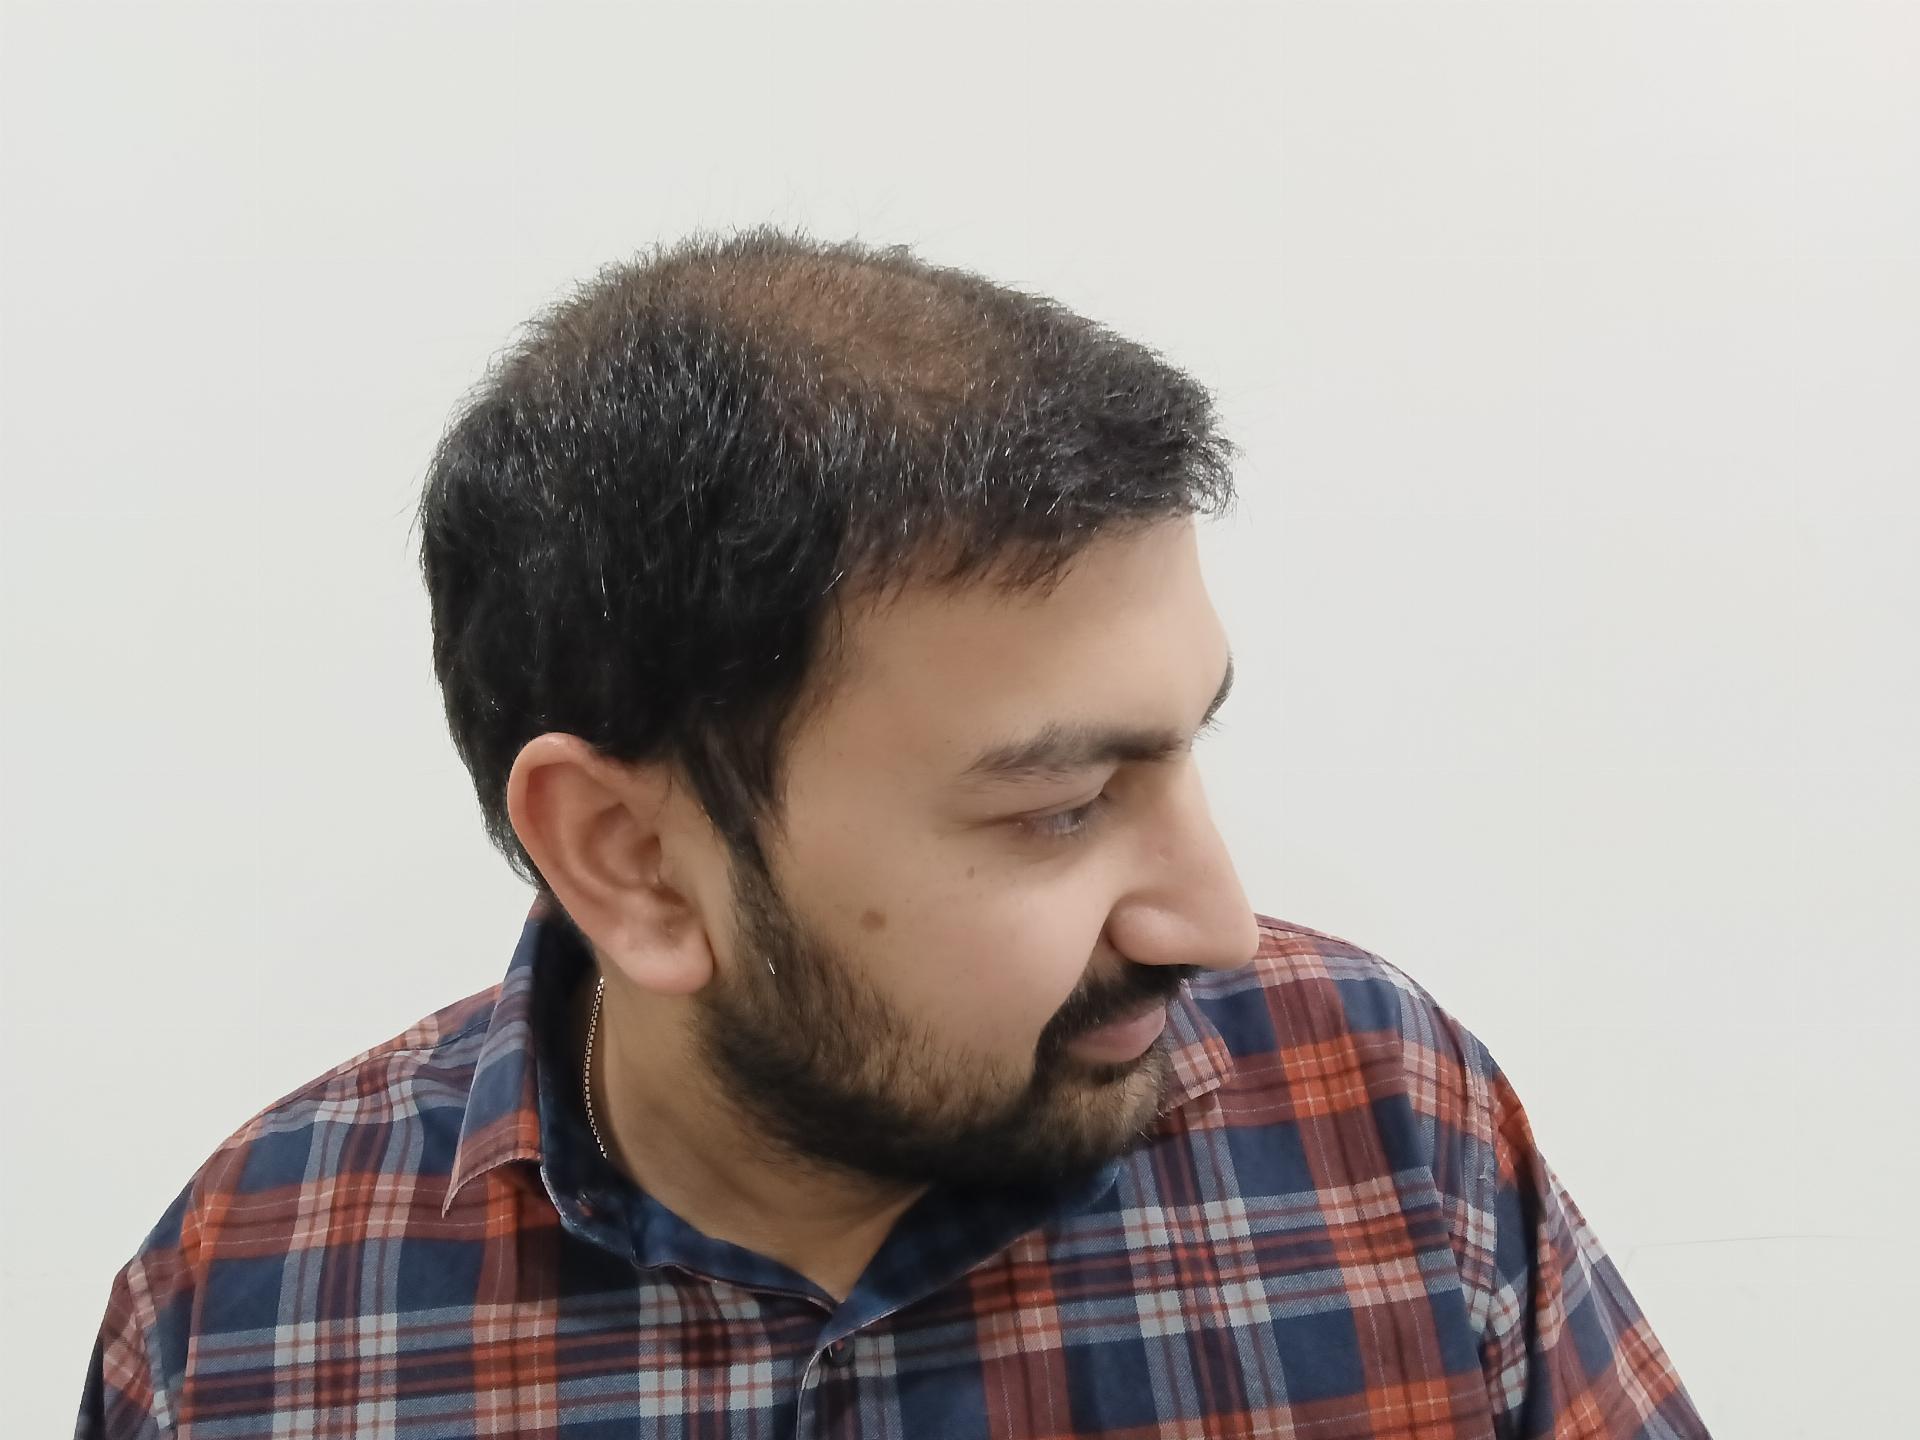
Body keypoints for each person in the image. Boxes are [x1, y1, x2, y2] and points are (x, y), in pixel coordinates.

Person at [77, 227, 1709, 1438]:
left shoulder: (1385, 1125)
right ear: (633, 861)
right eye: (1059, 808)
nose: (1215, 923)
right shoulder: (252, 1308)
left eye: (1186, 748)